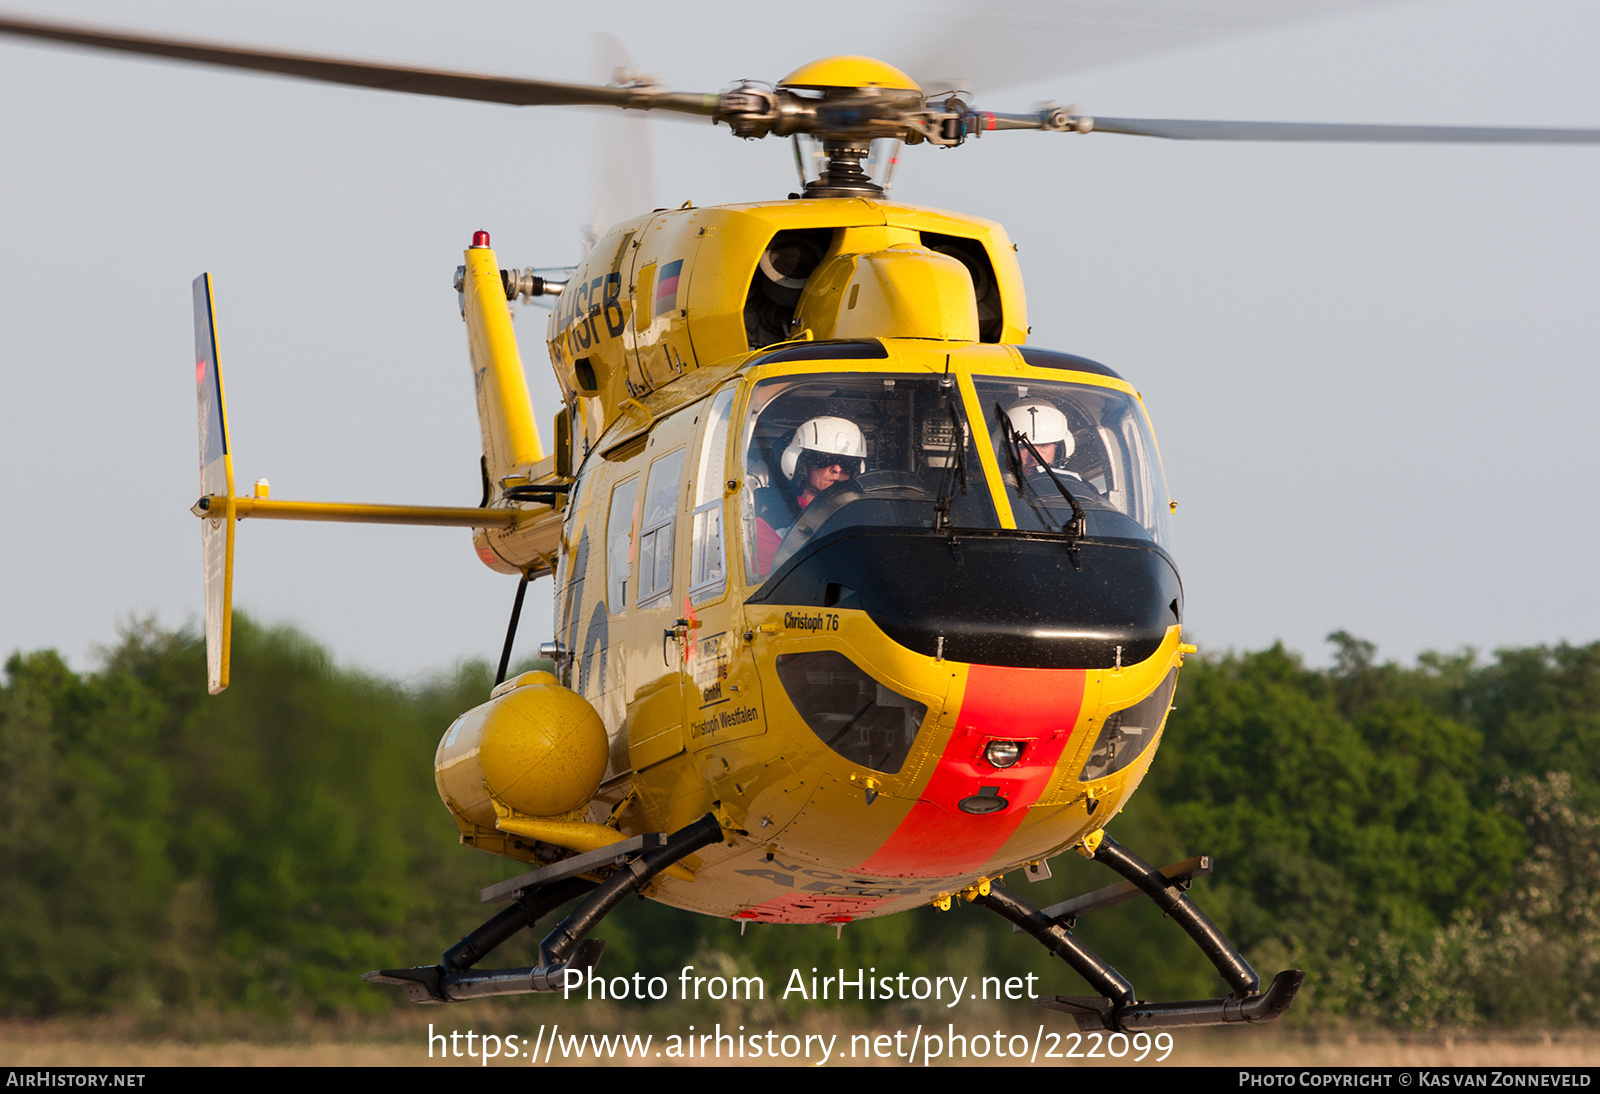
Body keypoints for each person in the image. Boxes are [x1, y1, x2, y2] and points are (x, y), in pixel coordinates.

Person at [753, 416, 866, 575]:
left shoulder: (865, 518)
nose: (837, 469)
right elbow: (767, 584)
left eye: (847, 463)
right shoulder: (774, 523)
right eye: (824, 460)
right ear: (800, 464)